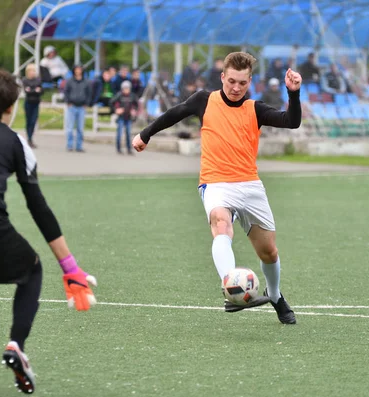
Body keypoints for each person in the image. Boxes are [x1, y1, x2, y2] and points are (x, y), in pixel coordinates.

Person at [0, 69, 97, 395]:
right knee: (31, 270)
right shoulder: (15, 140)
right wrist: (70, 267)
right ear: (11, 109)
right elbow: (37, 206)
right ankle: (16, 345)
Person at [132, 52, 301, 324]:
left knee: (268, 251)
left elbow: (291, 121)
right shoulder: (204, 100)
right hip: (215, 182)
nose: (236, 88)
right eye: (231, 81)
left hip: (249, 184)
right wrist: (145, 134)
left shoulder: (255, 109)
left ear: (250, 83)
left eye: (242, 84)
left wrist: (294, 94)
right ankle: (231, 287)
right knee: (221, 224)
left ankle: (276, 295)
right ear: (222, 77)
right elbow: (175, 113)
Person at [64, 65, 92, 152]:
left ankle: (79, 146)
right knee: (70, 127)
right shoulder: (70, 81)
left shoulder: (86, 82)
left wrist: (86, 103)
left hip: (81, 106)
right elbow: (66, 92)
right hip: (72, 106)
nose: (78, 71)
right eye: (76, 69)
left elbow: (89, 93)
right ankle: (69, 145)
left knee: (80, 128)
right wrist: (68, 102)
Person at [110, 81, 139, 155]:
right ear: (122, 89)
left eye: (127, 88)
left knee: (128, 134)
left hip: (128, 117)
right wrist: (116, 110)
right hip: (121, 117)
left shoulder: (132, 96)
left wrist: (134, 110)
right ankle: (118, 148)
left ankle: (129, 149)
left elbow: (136, 105)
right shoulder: (119, 95)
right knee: (119, 133)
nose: (126, 90)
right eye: (125, 88)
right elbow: (111, 103)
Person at [22, 64, 44, 148]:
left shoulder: (38, 80)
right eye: (31, 71)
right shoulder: (25, 80)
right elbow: (27, 91)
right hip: (28, 102)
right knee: (28, 121)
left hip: (36, 102)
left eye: (33, 71)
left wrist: (33, 90)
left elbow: (41, 91)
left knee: (33, 121)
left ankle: (31, 137)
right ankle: (29, 138)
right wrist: (34, 90)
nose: (32, 72)